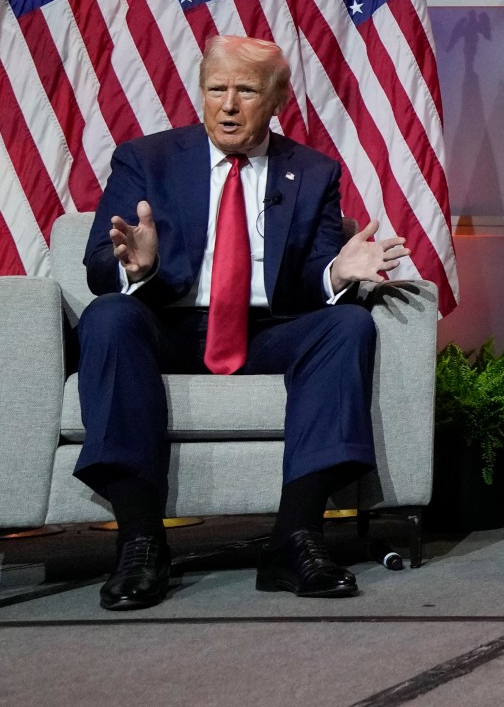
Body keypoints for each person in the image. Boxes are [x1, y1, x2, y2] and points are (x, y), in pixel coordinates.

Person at [75, 35, 411, 611]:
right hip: (168, 327)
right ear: (201, 93)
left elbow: (310, 276)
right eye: (216, 88)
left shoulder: (311, 171)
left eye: (246, 90)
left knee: (347, 326)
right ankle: (140, 542)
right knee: (108, 316)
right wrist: (139, 267)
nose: (228, 104)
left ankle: (295, 538)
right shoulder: (144, 159)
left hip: (266, 332)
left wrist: (336, 273)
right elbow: (101, 267)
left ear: (277, 99)